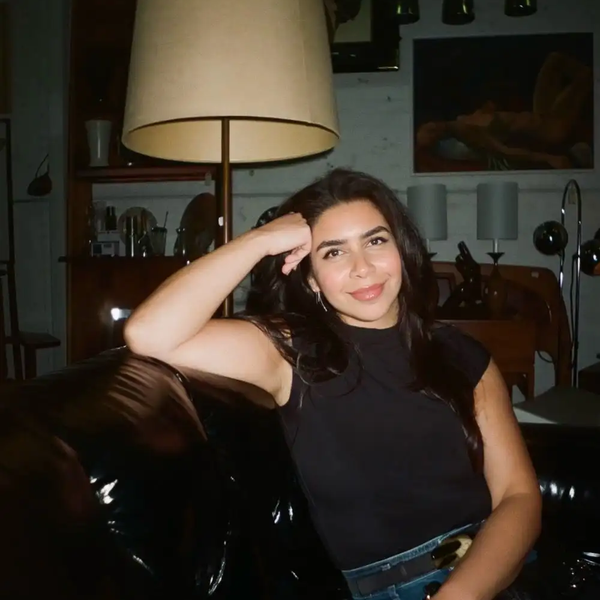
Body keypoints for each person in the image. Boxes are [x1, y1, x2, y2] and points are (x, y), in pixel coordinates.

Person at [124, 168, 542, 600]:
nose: (363, 268)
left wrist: (462, 594)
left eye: (375, 241)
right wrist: (259, 240)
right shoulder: (289, 350)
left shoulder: (460, 353)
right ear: (310, 278)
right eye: (334, 252)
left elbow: (519, 495)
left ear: (401, 249)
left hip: (497, 572)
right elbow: (149, 333)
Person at [416, 51, 593, 171]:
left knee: (556, 61)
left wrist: (488, 110)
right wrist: (548, 158)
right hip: (551, 129)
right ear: (438, 140)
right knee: (583, 75)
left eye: (428, 127)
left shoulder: (461, 121)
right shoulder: (466, 133)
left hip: (541, 117)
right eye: (431, 133)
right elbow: (504, 151)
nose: (433, 127)